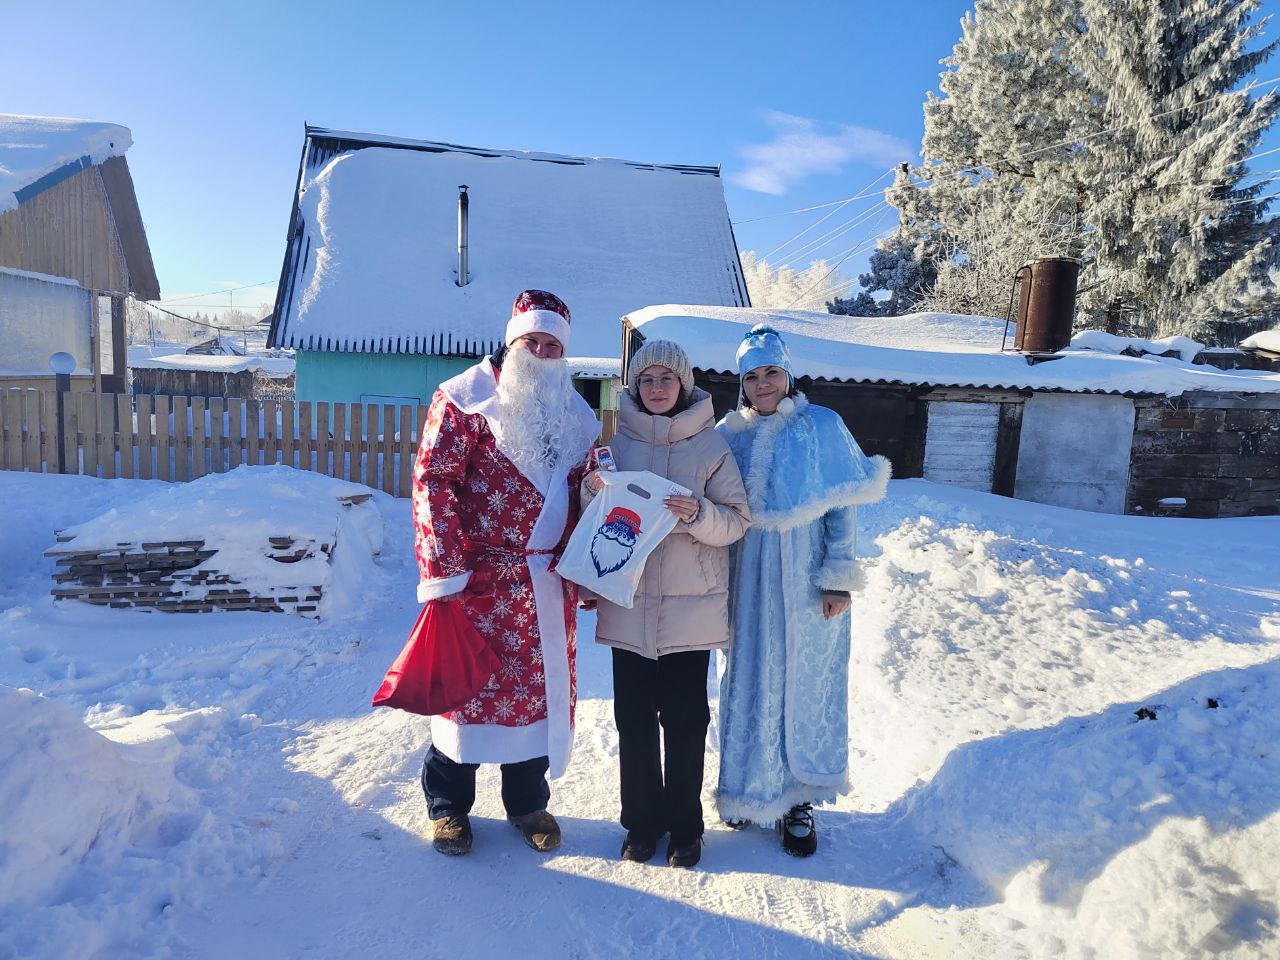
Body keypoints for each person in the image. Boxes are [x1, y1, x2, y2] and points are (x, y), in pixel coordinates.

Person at [412, 289, 601, 857]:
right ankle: (449, 808)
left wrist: (591, 565)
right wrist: (445, 573)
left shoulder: (576, 415)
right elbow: (432, 480)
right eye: (531, 340)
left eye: (551, 345)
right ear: (511, 340)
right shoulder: (464, 399)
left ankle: (527, 804)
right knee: (465, 693)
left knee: (536, 698)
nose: (540, 351)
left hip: (547, 580)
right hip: (478, 582)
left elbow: (588, 489)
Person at [714, 324, 890, 857]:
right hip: (744, 576)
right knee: (745, 679)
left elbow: (843, 510)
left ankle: (798, 801)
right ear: (741, 382)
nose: (763, 384)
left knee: (802, 680)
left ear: (788, 375)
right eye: (753, 375)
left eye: (772, 372)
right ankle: (747, 792)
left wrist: (838, 577)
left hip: (805, 578)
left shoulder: (822, 427)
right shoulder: (728, 434)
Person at [581, 340, 750, 869]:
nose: (656, 389)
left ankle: (685, 828)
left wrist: (699, 512)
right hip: (629, 607)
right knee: (632, 723)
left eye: (666, 380)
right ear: (635, 386)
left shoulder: (711, 447)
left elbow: (737, 520)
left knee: (684, 723)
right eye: (647, 380)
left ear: (684, 385)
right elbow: (595, 520)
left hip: (690, 613)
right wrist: (591, 491)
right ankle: (640, 826)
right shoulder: (616, 447)